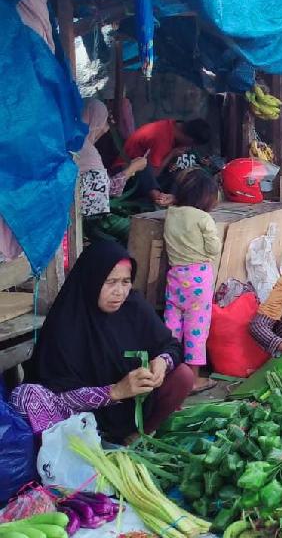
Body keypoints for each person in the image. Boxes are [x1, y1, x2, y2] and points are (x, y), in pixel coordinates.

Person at [11, 242, 191, 443]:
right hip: (85, 419)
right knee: (29, 398)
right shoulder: (66, 322)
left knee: (182, 375)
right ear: (92, 281)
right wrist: (114, 392)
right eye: (110, 282)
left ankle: (139, 436)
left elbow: (171, 345)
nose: (119, 292)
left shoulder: (134, 307)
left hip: (133, 408)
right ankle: (93, 444)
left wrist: (162, 362)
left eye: (125, 282)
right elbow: (55, 396)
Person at [163, 168, 221, 393]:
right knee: (196, 328)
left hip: (175, 277)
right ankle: (194, 380)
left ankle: (169, 375)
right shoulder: (203, 218)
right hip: (198, 280)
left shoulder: (172, 213)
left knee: (172, 327)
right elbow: (213, 249)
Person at [78, 99, 148, 244]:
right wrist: (131, 169)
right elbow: (108, 191)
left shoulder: (70, 140)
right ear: (94, 120)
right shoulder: (87, 151)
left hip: (82, 216)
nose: (105, 129)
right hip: (88, 222)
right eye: (103, 122)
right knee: (136, 231)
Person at [114, 118, 212, 207]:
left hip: (143, 174)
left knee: (179, 176)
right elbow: (153, 174)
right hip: (125, 177)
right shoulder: (161, 138)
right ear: (190, 139)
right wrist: (171, 155)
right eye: (191, 144)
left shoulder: (172, 126)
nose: (190, 148)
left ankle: (172, 200)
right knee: (145, 166)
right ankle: (159, 198)